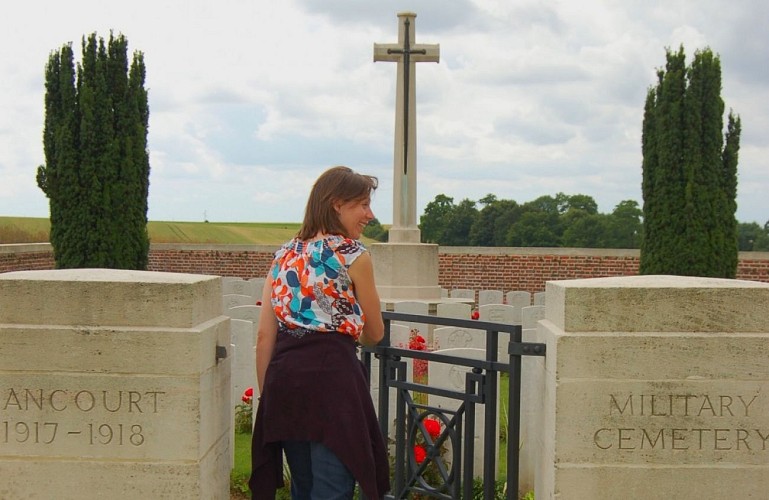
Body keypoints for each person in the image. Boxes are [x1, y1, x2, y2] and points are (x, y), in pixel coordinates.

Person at [249, 166, 390, 499]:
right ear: (337, 204)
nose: (369, 215)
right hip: (333, 385)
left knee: (305, 485)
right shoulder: (354, 256)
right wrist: (358, 336)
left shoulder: (283, 256)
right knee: (332, 488)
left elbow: (264, 338)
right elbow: (375, 331)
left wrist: (266, 394)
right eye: (363, 205)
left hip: (286, 385)